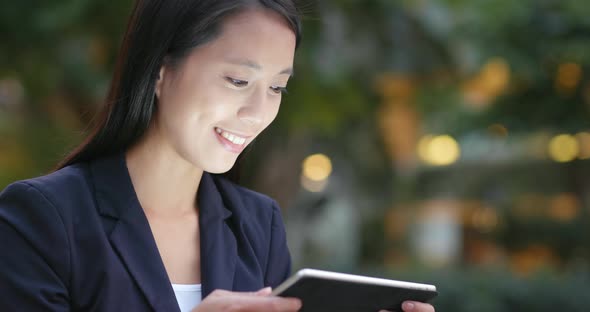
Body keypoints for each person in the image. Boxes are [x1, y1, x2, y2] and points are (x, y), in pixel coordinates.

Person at [0, 0, 435, 311]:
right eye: (238, 80)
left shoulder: (257, 224)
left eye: (277, 87)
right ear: (159, 70)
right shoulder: (42, 218)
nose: (258, 113)